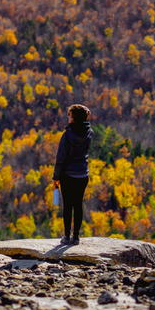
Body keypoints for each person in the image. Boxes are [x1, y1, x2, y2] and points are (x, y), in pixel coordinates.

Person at [53, 104, 93, 245]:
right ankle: (76, 237)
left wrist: (56, 177)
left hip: (68, 175)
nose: (68, 117)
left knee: (68, 206)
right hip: (83, 174)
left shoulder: (67, 135)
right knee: (78, 205)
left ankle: (66, 237)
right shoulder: (89, 132)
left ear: (74, 118)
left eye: (69, 115)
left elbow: (60, 158)